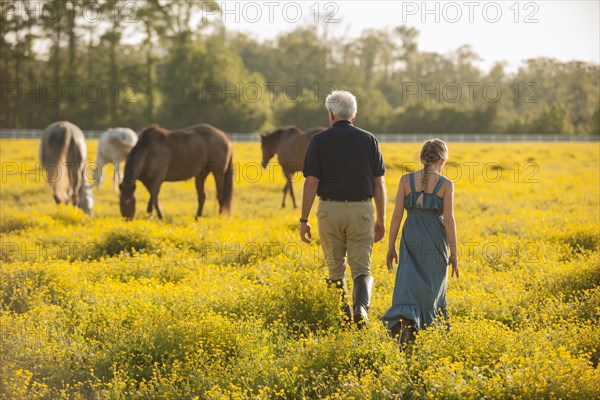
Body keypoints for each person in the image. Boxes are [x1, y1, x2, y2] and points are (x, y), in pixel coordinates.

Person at [300, 90, 387, 328]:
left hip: (329, 211)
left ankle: (343, 319)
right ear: (354, 115)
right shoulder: (369, 139)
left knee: (335, 268)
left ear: (331, 114)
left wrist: (303, 219)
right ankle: (361, 309)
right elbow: (379, 182)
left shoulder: (318, 141)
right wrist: (381, 218)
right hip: (361, 210)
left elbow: (311, 182)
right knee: (362, 267)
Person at [382, 139, 459, 348]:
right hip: (435, 238)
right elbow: (450, 220)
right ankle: (423, 335)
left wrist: (391, 247)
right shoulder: (446, 185)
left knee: (408, 285)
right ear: (442, 160)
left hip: (411, 236)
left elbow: (397, 216)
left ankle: (406, 327)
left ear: (421, 159)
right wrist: (454, 254)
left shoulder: (405, 180)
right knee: (431, 290)